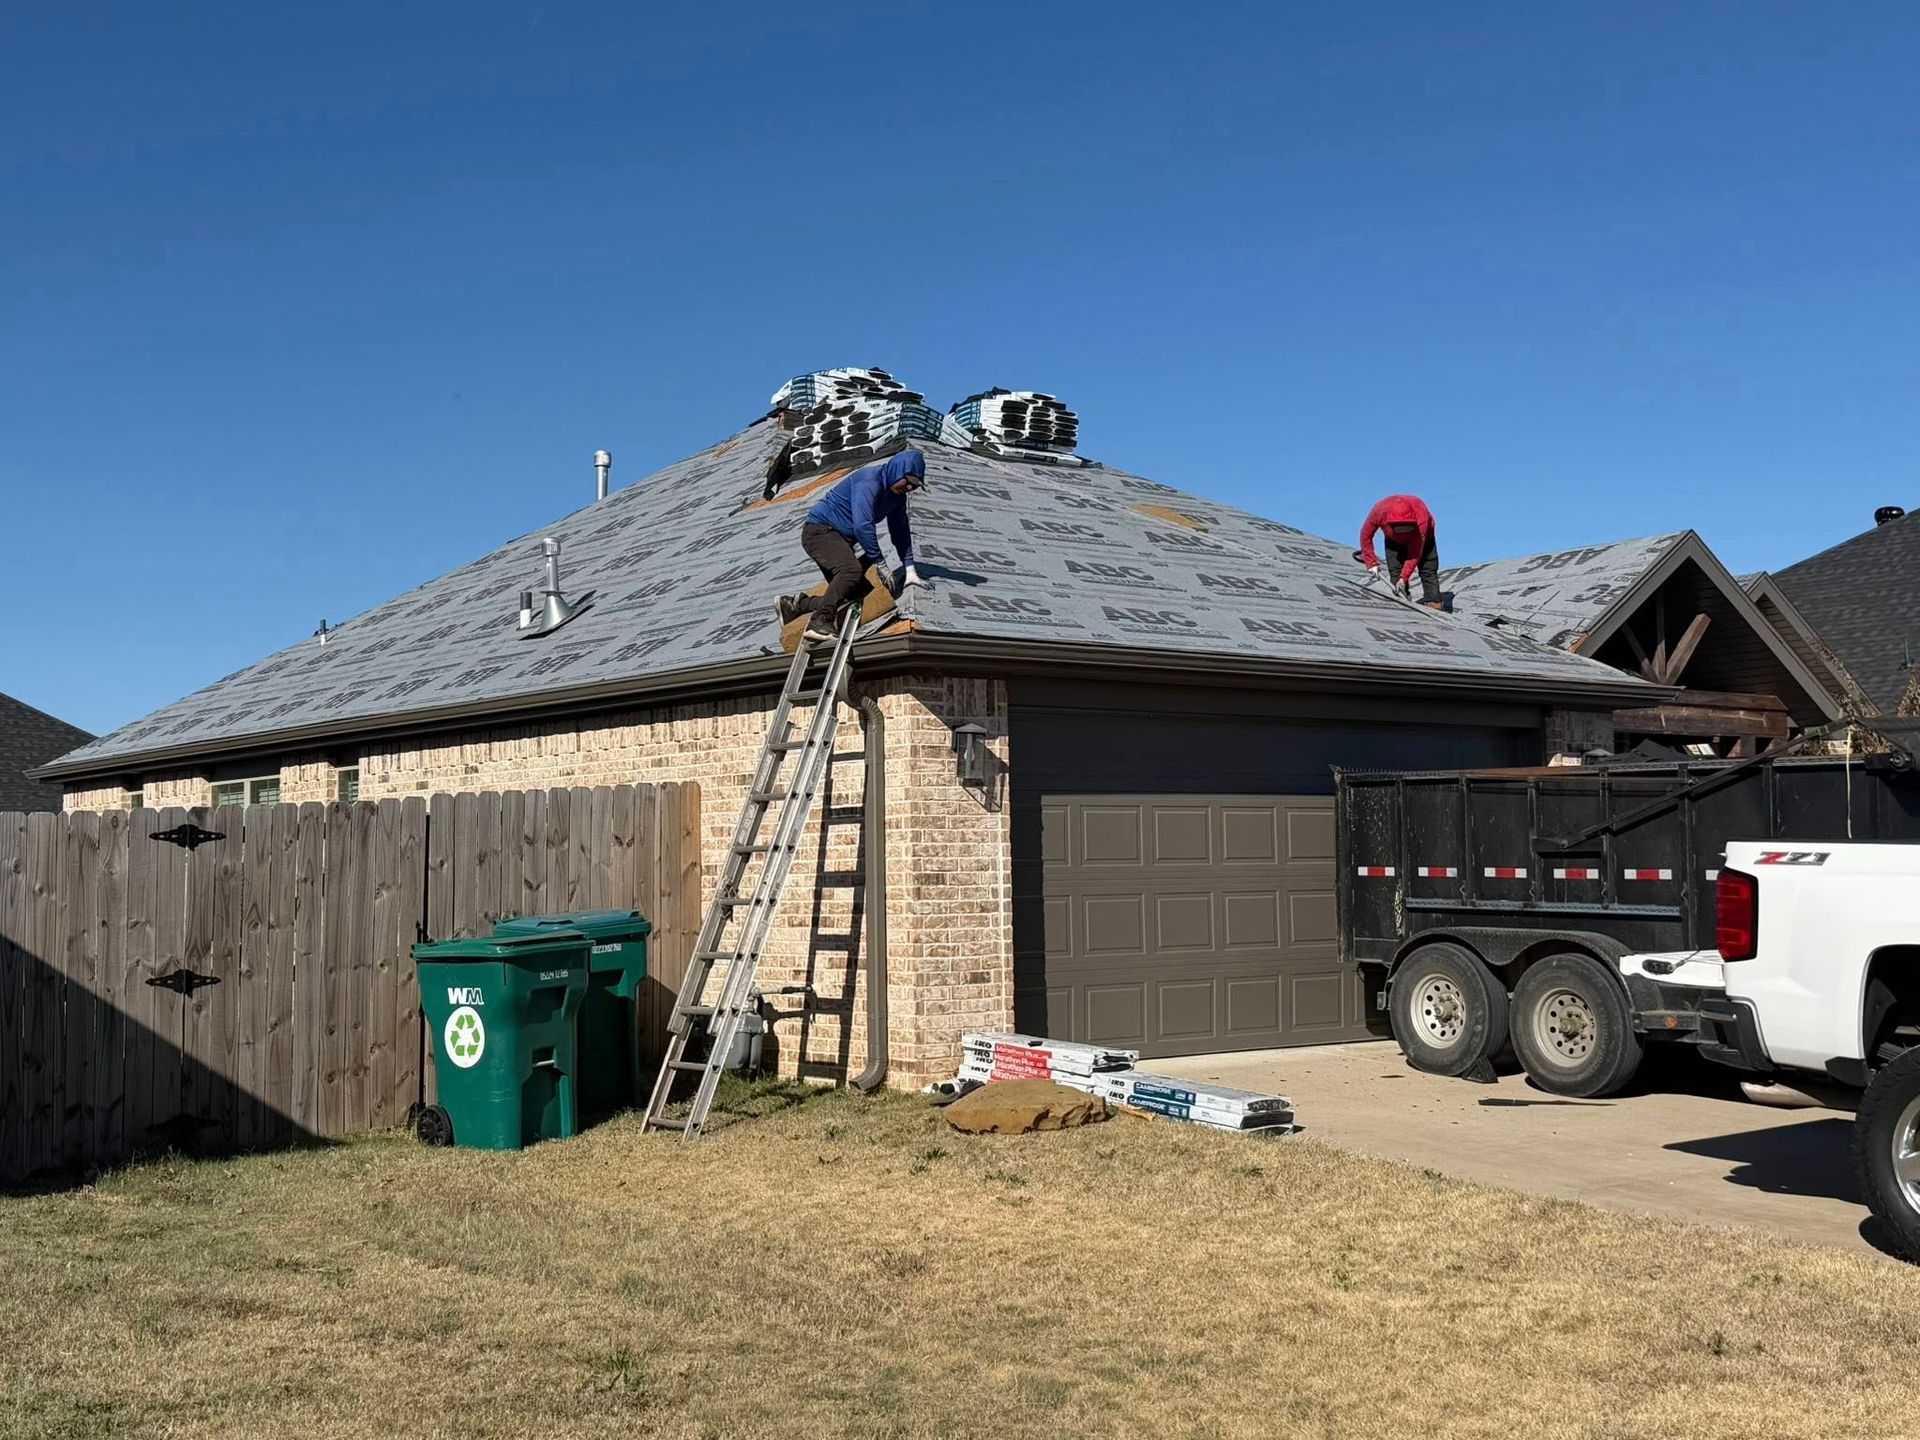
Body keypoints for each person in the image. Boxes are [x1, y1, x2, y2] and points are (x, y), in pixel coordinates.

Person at [777, 448, 929, 637]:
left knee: (854, 593)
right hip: (820, 532)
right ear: (897, 471)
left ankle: (795, 605)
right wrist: (880, 562)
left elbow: (900, 531)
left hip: (841, 539)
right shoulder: (869, 481)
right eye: (908, 482)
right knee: (851, 571)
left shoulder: (896, 498)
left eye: (914, 486)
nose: (908, 488)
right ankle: (820, 621)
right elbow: (862, 526)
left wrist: (910, 569)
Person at [1358, 494, 1442, 609]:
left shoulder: (1421, 519)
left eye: (1407, 528)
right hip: (1393, 540)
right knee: (1395, 571)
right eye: (1400, 529)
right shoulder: (1379, 512)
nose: (1403, 532)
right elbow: (1365, 536)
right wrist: (1371, 562)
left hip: (1421, 537)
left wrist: (1404, 578)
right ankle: (1403, 600)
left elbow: (1414, 554)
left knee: (1428, 567)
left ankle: (1434, 602)